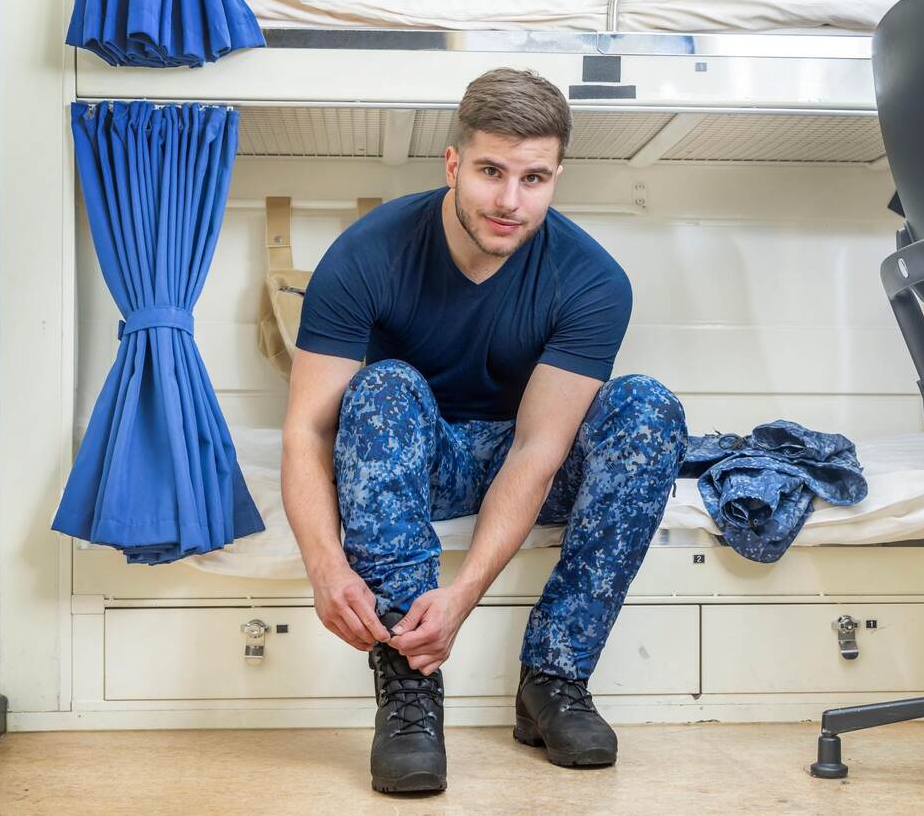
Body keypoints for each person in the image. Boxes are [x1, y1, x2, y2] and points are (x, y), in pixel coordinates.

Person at [280, 67, 687, 794]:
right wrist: (323, 566)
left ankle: (554, 678)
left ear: (557, 176)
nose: (509, 200)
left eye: (533, 178)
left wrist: (463, 594)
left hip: (520, 454)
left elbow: (539, 448)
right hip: (415, 452)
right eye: (491, 171)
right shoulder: (365, 254)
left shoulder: (593, 281)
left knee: (649, 408)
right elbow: (309, 432)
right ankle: (409, 682)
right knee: (383, 385)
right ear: (453, 164)